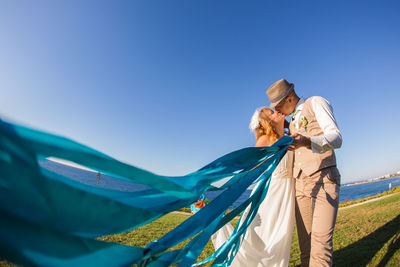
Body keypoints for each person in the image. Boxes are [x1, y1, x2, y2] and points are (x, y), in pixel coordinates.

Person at [267, 78, 342, 267]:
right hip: (300, 186)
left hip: (323, 180)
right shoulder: (290, 123)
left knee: (320, 248)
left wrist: (307, 141)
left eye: (278, 106)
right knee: (306, 249)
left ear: (289, 98)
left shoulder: (316, 102)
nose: (277, 111)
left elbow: (336, 138)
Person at [212, 107, 295, 267]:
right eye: (272, 112)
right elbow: (251, 166)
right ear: (267, 120)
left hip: (285, 193)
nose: (277, 112)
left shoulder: (288, 136)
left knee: (279, 238)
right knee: (263, 239)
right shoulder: (265, 139)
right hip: (270, 194)